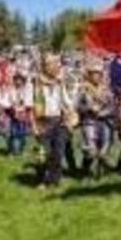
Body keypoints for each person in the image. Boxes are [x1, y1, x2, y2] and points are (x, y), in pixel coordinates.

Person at [31, 54, 73, 189]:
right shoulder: (35, 82)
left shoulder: (60, 83)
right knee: (43, 153)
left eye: (56, 64)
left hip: (59, 121)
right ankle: (41, 179)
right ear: (45, 67)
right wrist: (34, 125)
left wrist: (69, 116)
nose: (56, 67)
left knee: (58, 152)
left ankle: (55, 180)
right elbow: (29, 107)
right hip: (42, 121)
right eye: (52, 64)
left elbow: (67, 102)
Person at [76, 58, 114, 179]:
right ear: (89, 75)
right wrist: (88, 108)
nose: (96, 77)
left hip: (104, 121)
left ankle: (100, 172)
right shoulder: (83, 89)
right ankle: (85, 169)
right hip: (89, 122)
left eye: (98, 74)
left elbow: (112, 106)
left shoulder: (106, 89)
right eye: (94, 74)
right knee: (91, 150)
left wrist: (104, 112)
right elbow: (77, 106)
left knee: (103, 149)